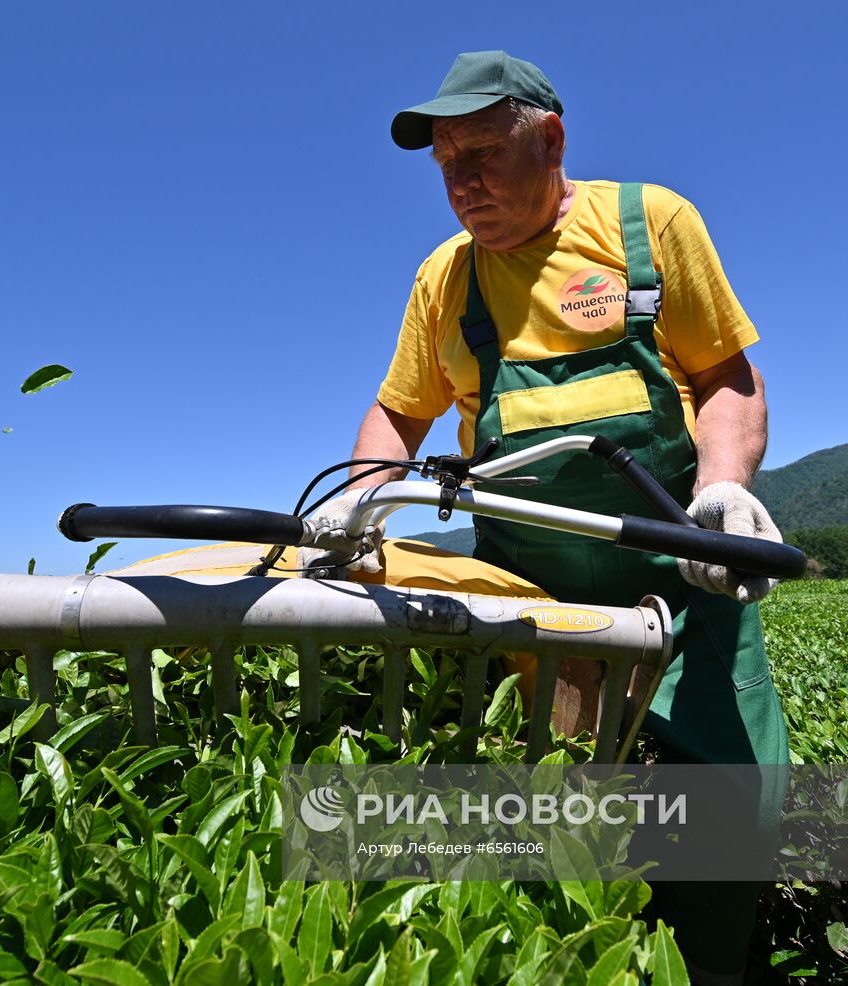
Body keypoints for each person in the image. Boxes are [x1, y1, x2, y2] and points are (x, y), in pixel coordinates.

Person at [298, 51, 790, 985]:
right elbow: (400, 413)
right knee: (539, 811)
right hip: (532, 595)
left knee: (738, 804)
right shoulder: (444, 280)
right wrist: (361, 496)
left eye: (481, 153)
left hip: (681, 575)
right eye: (446, 165)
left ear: (551, 139)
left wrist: (723, 488)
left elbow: (728, 377)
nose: (462, 183)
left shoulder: (648, 225)